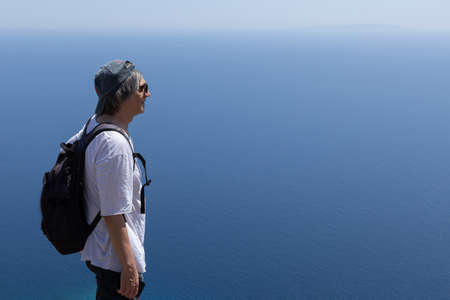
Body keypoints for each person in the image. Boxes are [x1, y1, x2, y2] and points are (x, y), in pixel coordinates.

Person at [67, 60, 151, 299]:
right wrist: (129, 266)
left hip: (100, 250)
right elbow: (113, 213)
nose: (148, 94)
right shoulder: (114, 145)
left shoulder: (93, 125)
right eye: (142, 88)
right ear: (121, 95)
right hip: (113, 261)